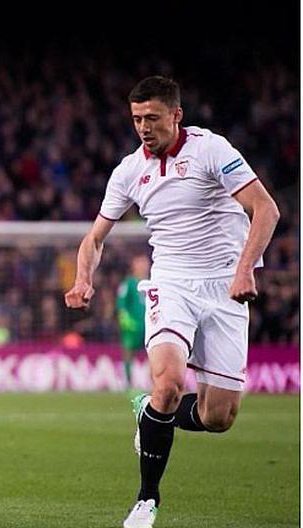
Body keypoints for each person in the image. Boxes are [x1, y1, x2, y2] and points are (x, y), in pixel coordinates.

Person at [64, 76, 280, 528]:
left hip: (224, 287)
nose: (143, 127)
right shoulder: (128, 171)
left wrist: (244, 270)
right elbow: (95, 237)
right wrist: (84, 278)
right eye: (137, 119)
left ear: (176, 115)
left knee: (218, 417)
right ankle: (146, 500)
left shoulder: (211, 150)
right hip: (171, 284)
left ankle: (149, 415)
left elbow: (266, 209)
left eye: (152, 118)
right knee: (168, 383)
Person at [116, 255, 149, 392]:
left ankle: (154, 384)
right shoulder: (128, 283)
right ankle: (128, 384)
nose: (143, 266)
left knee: (154, 355)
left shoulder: (152, 282)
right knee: (128, 353)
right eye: (140, 263)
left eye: (145, 263)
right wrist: (125, 320)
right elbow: (121, 303)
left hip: (149, 325)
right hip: (132, 326)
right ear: (134, 265)